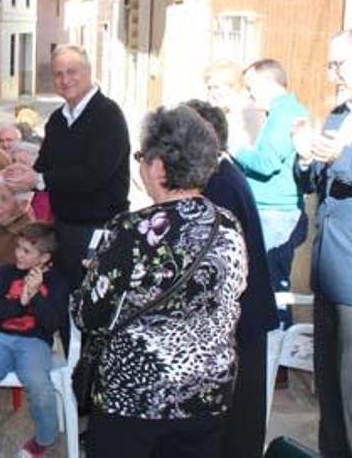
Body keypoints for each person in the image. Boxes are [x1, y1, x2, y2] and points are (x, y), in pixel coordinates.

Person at [73, 105, 247, 458]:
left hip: (134, 397)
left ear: (157, 166)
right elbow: (231, 294)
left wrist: (95, 275)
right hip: (206, 393)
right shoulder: (227, 224)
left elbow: (88, 315)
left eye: (141, 157)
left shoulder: (132, 230)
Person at [292, 26, 352, 458]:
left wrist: (341, 158)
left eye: (337, 65)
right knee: (328, 394)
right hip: (328, 271)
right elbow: (316, 182)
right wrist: (305, 157)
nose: (332, 75)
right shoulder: (340, 113)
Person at [185, 99, 279, 458]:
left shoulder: (219, 187)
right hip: (244, 318)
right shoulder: (223, 176)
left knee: (235, 428)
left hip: (240, 323)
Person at [5, 44, 130, 285]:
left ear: (88, 71)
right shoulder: (57, 120)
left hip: (98, 231)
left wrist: (40, 179)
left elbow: (95, 174)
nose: (65, 80)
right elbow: (44, 167)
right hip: (63, 229)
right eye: (58, 74)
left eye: (72, 72)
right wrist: (23, 174)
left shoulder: (108, 115)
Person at [0, 223, 69, 458]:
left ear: (44, 258)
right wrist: (21, 303)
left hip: (35, 342)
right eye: (18, 247)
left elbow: (52, 323)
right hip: (2, 338)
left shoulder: (57, 281)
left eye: (27, 251)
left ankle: (44, 438)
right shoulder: (7, 273)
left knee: (38, 384)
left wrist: (35, 296)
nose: (18, 254)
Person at [237, 59, 308, 293]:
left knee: (272, 288)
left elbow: (266, 162)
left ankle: (280, 330)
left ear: (268, 82)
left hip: (276, 215)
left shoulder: (285, 114)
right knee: (266, 285)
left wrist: (235, 150)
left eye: (251, 87)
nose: (249, 94)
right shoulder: (278, 113)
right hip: (271, 213)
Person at [204, 62, 261, 151]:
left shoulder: (247, 114)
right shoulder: (222, 112)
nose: (211, 93)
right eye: (209, 88)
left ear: (234, 87)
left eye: (216, 87)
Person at [9, 141, 52, 222]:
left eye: (22, 162)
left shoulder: (45, 197)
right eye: (13, 161)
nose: (15, 166)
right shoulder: (3, 190)